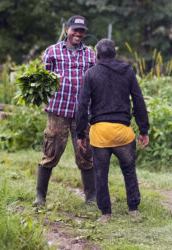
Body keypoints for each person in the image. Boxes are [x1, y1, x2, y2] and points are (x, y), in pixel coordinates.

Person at [76, 39, 149, 222]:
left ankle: (106, 214)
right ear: (115, 54)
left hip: (100, 134)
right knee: (129, 171)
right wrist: (143, 130)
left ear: (96, 55)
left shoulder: (90, 74)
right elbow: (138, 101)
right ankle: (133, 210)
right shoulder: (127, 71)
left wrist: (80, 134)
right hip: (123, 132)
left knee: (101, 173)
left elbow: (82, 106)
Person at [33, 15, 96, 207]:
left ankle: (91, 198)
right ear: (67, 29)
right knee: (51, 153)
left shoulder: (91, 54)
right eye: (75, 30)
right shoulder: (52, 52)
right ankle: (40, 197)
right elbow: (43, 80)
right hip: (58, 110)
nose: (79, 33)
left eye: (82, 31)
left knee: (86, 155)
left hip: (83, 113)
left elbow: (96, 81)